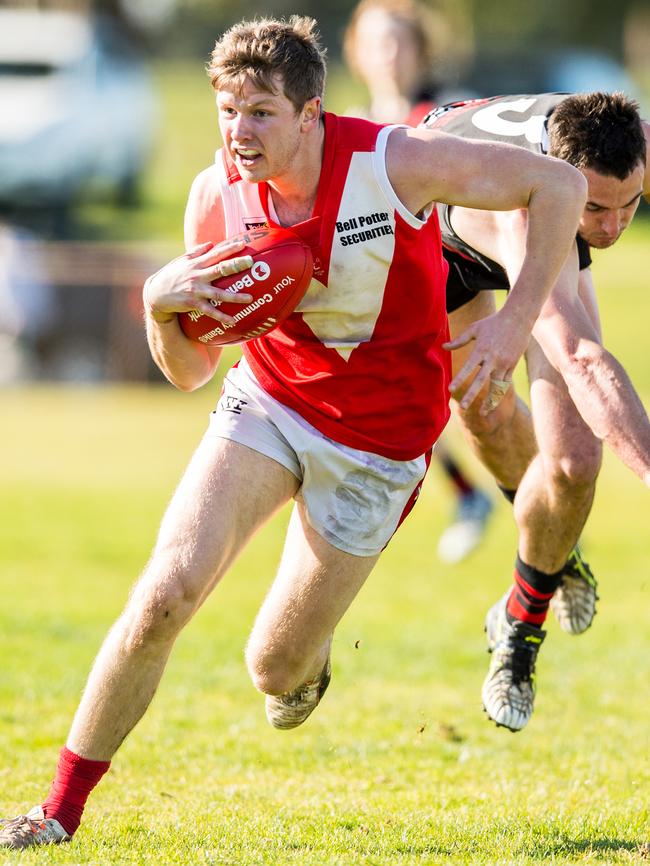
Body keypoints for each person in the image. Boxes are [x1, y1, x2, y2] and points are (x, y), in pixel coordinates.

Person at [0, 17, 587, 849]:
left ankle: (302, 667)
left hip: (380, 448)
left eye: (262, 113)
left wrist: (514, 321)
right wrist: (158, 308)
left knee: (273, 673)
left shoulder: (394, 161)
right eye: (228, 111)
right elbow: (191, 370)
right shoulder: (214, 196)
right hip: (268, 405)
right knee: (164, 594)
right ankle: (55, 812)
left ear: (312, 112)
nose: (240, 132)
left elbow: (557, 186)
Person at [422, 92, 650, 732]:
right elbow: (579, 358)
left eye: (631, 205)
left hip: (541, 207)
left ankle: (518, 623)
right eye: (597, 209)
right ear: (564, 177)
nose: (611, 228)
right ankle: (548, 562)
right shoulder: (525, 214)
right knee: (483, 410)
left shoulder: (633, 147)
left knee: (576, 463)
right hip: (447, 243)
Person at [343, 0, 494, 564]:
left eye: (401, 42)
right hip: (385, 286)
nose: (390, 54)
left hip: (452, 279)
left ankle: (539, 509)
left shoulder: (444, 115)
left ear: (421, 51)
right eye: (378, 42)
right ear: (357, 51)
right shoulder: (348, 123)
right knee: (402, 396)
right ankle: (468, 495)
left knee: (476, 402)